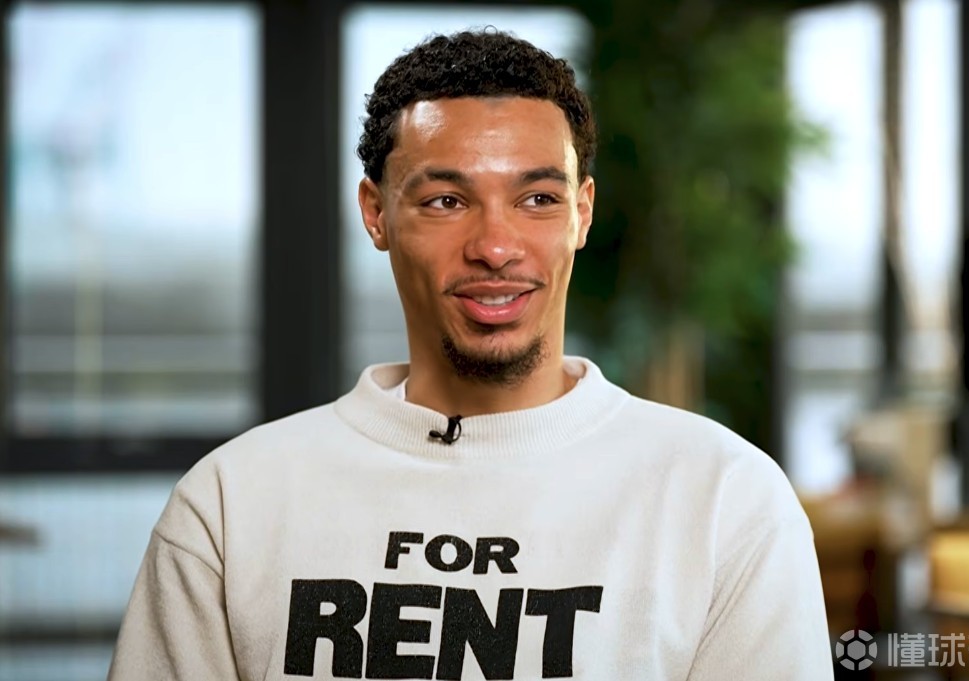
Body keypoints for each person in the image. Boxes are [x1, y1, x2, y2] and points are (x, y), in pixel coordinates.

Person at [109, 29, 832, 680]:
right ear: (376, 213)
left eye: (538, 199)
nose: (495, 246)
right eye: (446, 202)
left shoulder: (724, 501)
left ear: (582, 212)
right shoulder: (234, 503)